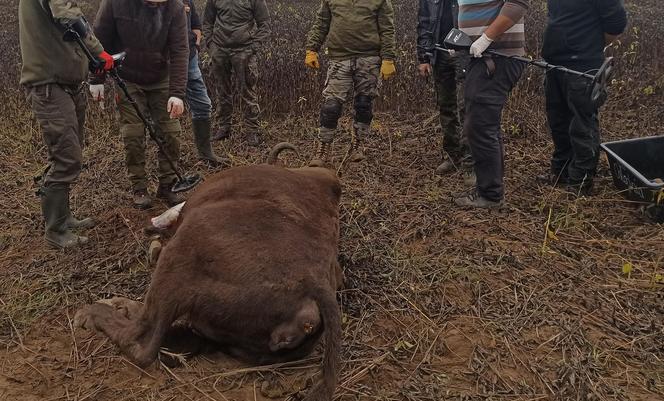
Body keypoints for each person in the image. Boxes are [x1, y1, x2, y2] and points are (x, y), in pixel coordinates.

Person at [19, 0, 114, 248]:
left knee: (72, 150)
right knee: (66, 156)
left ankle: (64, 217)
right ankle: (56, 230)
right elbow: (69, 16)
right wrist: (98, 51)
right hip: (49, 85)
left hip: (66, 83)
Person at [89, 0, 190, 209]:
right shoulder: (114, 4)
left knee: (171, 132)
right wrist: (96, 79)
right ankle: (139, 187)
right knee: (133, 134)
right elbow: (99, 41)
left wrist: (177, 93)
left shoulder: (176, 8)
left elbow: (180, 50)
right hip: (127, 77)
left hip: (161, 77)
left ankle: (168, 184)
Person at [540, 0, 627, 195]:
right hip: (554, 63)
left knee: (582, 125)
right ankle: (561, 171)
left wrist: (587, 46)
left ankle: (581, 181)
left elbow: (616, 24)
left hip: (583, 67)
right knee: (558, 121)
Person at [453, 0, 529, 209]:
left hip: (497, 58)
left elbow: (518, 3)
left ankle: (491, 196)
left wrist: (487, 37)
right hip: (481, 57)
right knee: (484, 125)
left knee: (480, 126)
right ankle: (489, 188)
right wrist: (462, 41)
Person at [305, 0, 397, 167]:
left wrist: (388, 58)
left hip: (369, 58)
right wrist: (312, 49)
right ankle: (323, 148)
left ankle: (357, 147)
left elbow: (387, 29)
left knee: (364, 104)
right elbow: (322, 23)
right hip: (339, 59)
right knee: (331, 106)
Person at [416, 0, 473, 184]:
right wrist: (424, 56)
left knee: (467, 106)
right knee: (446, 106)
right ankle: (452, 155)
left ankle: (470, 161)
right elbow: (424, 22)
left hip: (466, 52)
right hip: (439, 53)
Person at [203, 0, 270, 146]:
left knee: (248, 92)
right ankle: (224, 128)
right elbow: (207, 22)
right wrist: (211, 44)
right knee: (222, 91)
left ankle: (252, 130)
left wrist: (252, 48)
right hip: (220, 50)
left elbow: (265, 25)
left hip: (244, 50)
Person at [184, 0, 229, 167]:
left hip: (189, 59)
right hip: (165, 63)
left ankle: (206, 154)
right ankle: (166, 162)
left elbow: (196, 24)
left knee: (203, 105)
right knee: (163, 112)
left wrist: (195, 46)